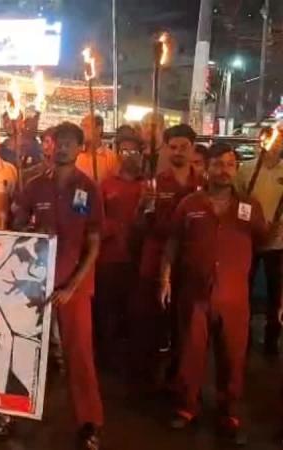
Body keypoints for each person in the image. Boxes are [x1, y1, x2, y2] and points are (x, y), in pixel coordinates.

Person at [162, 143, 265, 446]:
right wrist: (165, 278)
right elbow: (173, 242)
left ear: (236, 169)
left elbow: (263, 239)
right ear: (206, 168)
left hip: (234, 298)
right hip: (194, 294)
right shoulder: (189, 204)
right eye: (218, 164)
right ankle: (187, 407)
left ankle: (229, 413)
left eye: (230, 165)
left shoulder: (249, 207)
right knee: (190, 353)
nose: (224, 170)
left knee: (232, 358)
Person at [11, 122, 104, 448]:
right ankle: (7, 412)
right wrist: (27, 226)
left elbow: (94, 242)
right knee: (20, 348)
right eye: (57, 142)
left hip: (74, 286)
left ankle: (89, 422)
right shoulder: (35, 185)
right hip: (34, 282)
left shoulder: (88, 189)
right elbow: (17, 225)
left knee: (79, 354)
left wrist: (72, 286)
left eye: (69, 143)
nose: (62, 148)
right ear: (49, 146)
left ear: (80, 148)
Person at [131, 124, 202, 393]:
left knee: (184, 324)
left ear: (193, 149)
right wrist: (142, 205)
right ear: (165, 150)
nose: (178, 152)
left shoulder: (203, 184)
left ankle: (179, 377)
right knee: (150, 320)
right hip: (155, 260)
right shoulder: (155, 184)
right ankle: (146, 377)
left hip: (189, 263)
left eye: (184, 147)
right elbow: (140, 226)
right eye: (173, 147)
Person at [93, 130, 144, 369]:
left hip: (139, 259)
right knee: (106, 311)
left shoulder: (148, 185)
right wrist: (112, 226)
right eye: (124, 151)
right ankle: (106, 358)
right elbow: (94, 221)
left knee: (134, 312)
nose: (129, 155)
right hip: (109, 258)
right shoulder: (106, 185)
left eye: (134, 151)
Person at [236, 126, 283, 356]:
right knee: (243, 290)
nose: (274, 145)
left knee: (277, 294)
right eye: (269, 140)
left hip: (278, 242)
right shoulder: (246, 169)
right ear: (260, 142)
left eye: (278, 141)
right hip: (249, 240)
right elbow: (237, 200)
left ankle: (272, 340)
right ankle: (242, 337)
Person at [76, 114, 120, 183]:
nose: (81, 130)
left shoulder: (111, 158)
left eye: (86, 126)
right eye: (81, 126)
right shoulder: (75, 153)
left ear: (99, 129)